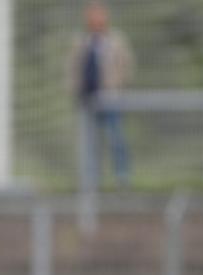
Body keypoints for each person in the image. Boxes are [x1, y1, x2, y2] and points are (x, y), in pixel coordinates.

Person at [68, 1, 135, 189]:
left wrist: (120, 89)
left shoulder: (116, 40)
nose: (96, 19)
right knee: (90, 143)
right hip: (89, 101)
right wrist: (76, 91)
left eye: (99, 15)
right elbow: (73, 69)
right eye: (92, 15)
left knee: (117, 139)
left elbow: (126, 65)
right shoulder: (82, 41)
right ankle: (91, 180)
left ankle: (122, 179)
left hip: (111, 98)